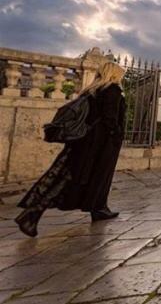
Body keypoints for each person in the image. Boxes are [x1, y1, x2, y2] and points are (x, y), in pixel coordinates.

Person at [15, 62, 126, 237]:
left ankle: (98, 208)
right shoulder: (112, 90)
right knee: (90, 175)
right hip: (101, 142)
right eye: (120, 73)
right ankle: (32, 214)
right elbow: (110, 118)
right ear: (113, 74)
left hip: (85, 140)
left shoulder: (92, 90)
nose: (122, 77)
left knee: (70, 174)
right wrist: (117, 134)